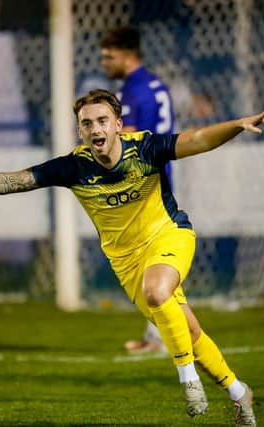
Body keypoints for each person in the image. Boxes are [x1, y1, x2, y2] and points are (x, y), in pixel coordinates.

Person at [0, 89, 264, 425]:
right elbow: (9, 181)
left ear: (117, 124)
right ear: (80, 131)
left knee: (157, 290)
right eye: (86, 124)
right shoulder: (74, 167)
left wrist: (239, 124)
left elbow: (197, 139)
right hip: (126, 261)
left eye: (101, 121)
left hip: (169, 235)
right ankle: (239, 393)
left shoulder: (144, 148)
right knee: (189, 331)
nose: (95, 129)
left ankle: (188, 381)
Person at [99, 26, 175, 354]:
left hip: (142, 182)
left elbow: (124, 137)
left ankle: (162, 336)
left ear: (128, 55)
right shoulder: (155, 84)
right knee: (151, 260)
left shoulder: (132, 90)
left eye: (109, 56)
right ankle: (156, 335)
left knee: (148, 261)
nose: (104, 63)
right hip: (160, 175)